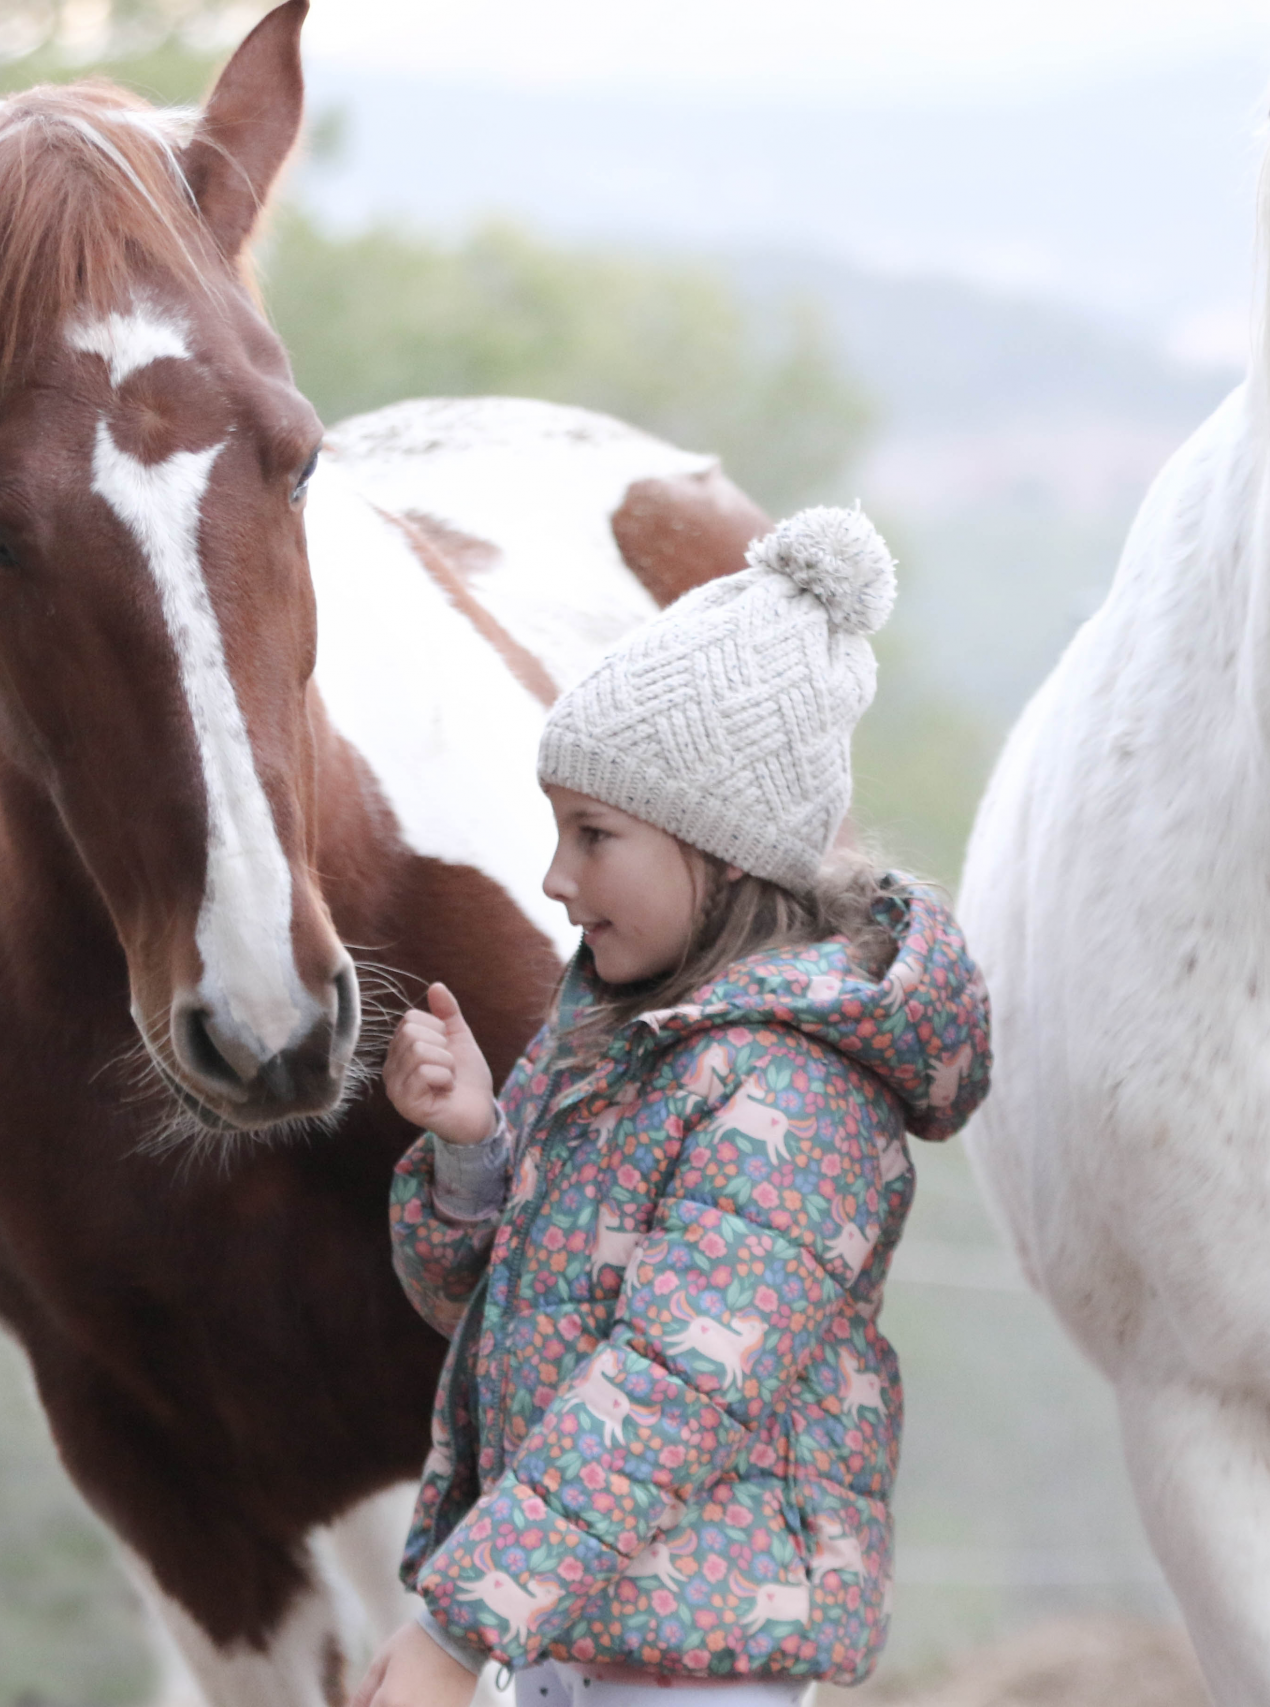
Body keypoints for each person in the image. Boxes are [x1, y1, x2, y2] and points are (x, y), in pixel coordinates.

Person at [352, 508, 992, 1707]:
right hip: (564, 1636)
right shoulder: (606, 1043)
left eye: (595, 835)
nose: (555, 877)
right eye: (557, 830)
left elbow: (670, 1390)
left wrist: (457, 1626)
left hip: (691, 1668)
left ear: (726, 849)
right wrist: (472, 1152)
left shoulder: (797, 1093)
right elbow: (483, 1319)